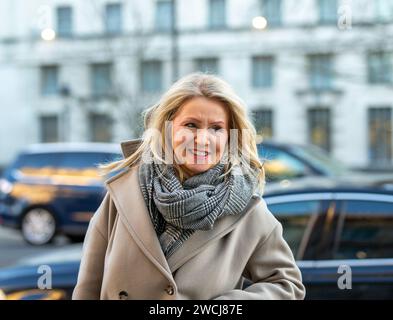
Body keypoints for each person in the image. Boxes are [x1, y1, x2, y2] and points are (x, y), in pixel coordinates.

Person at [72, 73, 305, 300]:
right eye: (191, 125)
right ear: (168, 127)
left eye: (216, 128)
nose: (203, 139)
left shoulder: (248, 210)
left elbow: (287, 286)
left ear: (230, 136)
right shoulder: (124, 194)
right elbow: (88, 287)